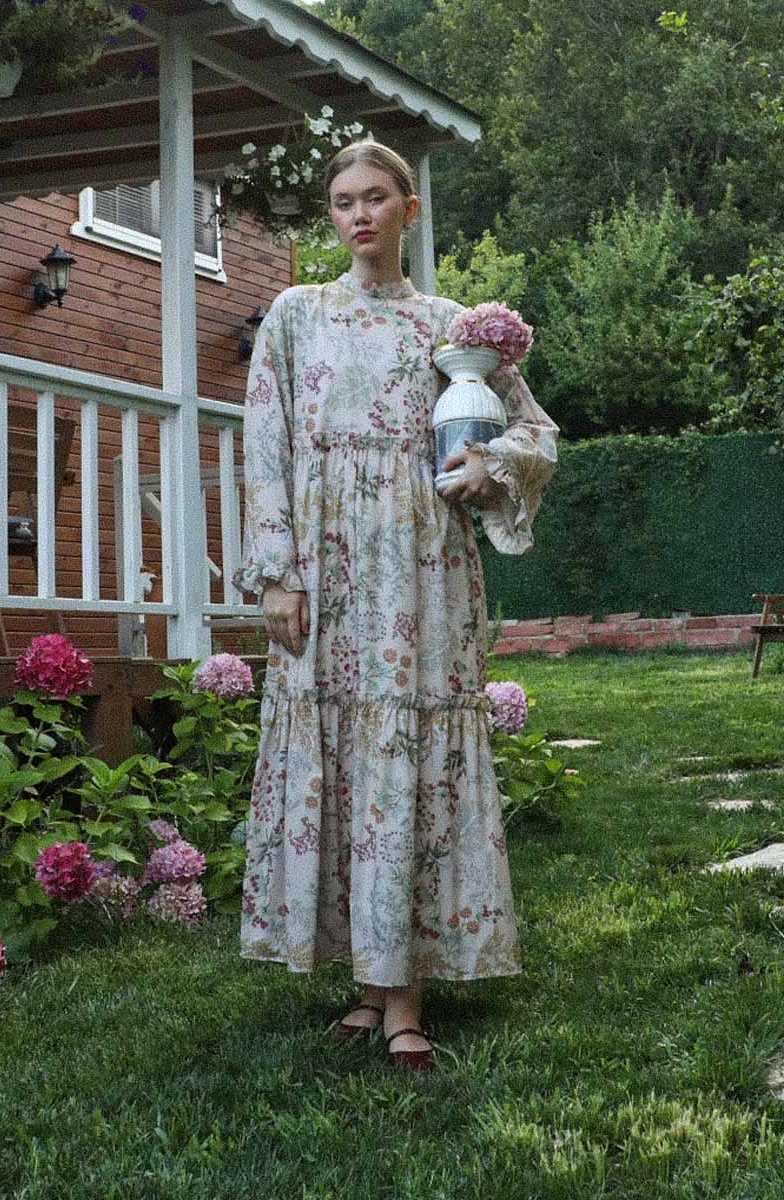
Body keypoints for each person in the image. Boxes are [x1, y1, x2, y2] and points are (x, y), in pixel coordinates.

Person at [233, 140, 558, 1073]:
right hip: (323, 566)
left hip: (422, 568)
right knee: (341, 753)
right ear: (330, 215)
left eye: (375, 198)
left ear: (408, 210)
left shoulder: (454, 327)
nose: (358, 215)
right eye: (343, 201)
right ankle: (371, 983)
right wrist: (275, 573)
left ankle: (404, 996)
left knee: (406, 752)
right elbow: (265, 442)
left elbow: (534, 432)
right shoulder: (296, 313)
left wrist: (489, 466)